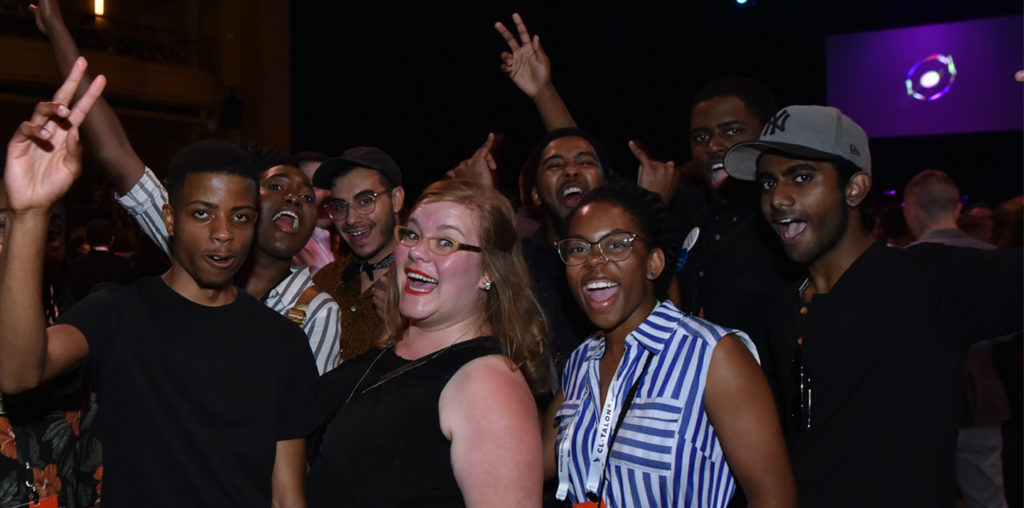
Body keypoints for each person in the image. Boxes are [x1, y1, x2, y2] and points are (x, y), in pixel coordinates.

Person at [0, 59, 319, 507]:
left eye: (241, 217)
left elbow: (287, 496)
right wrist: (28, 214)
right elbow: (18, 373)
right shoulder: (117, 311)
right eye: (202, 213)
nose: (224, 233)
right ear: (169, 218)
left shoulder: (283, 342)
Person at [724, 105, 1023, 507]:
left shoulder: (928, 281)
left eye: (802, 177)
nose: (778, 198)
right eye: (767, 183)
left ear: (855, 188)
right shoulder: (785, 307)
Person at [31, 0, 341, 374]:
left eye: (307, 196)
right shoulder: (194, 247)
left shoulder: (318, 311)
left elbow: (306, 419)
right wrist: (55, 25)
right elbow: (115, 151)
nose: (295, 196)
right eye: (277, 185)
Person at [544, 181, 796, 507]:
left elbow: (774, 497)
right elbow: (530, 461)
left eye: (616, 244)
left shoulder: (714, 355)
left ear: (654, 263)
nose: (593, 261)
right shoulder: (582, 362)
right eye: (578, 248)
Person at [308, 179, 548, 507]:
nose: (417, 251)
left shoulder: (488, 383)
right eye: (412, 234)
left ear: (488, 270)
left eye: (446, 242)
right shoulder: (390, 352)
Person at [904, 169, 1011, 508]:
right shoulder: (993, 259)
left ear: (911, 210)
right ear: (957, 208)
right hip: (982, 401)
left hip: (918, 402)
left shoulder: (903, 266)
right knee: (988, 496)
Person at [311, 147, 406, 361]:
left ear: (396, 199)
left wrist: (405, 329)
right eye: (340, 206)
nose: (351, 218)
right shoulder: (325, 280)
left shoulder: (422, 284)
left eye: (365, 201)